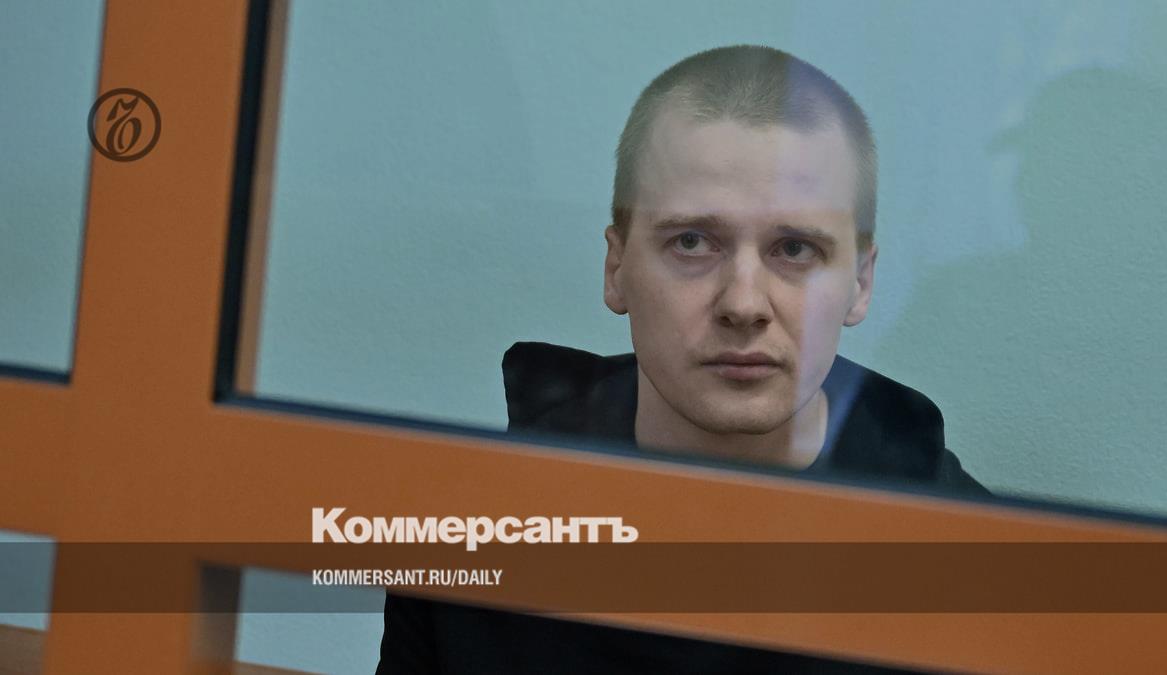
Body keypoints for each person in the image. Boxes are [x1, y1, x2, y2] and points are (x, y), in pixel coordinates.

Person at [377, 44, 986, 674]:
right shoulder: (470, 540)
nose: (743, 304)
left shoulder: (969, 564)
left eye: (795, 249)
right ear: (617, 267)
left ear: (860, 282)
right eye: (692, 242)